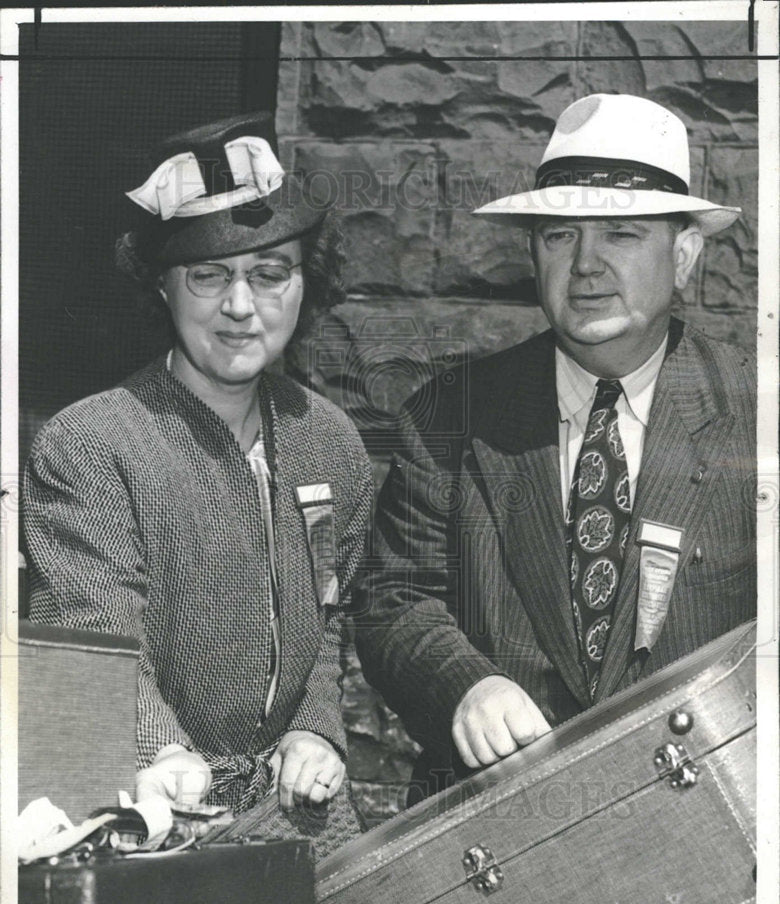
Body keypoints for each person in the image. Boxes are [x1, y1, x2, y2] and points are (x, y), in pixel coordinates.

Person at [355, 93, 756, 803]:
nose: (587, 266)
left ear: (685, 254)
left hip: (710, 838)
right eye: (560, 235)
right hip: (499, 840)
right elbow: (396, 601)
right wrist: (463, 685)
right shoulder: (450, 416)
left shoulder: (758, 416)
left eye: (622, 234)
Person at [23, 113, 373, 856]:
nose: (241, 307)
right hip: (146, 815)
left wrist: (316, 731)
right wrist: (162, 754)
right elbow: (93, 641)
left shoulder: (330, 441)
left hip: (294, 816)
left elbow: (327, 623)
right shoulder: (93, 443)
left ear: (307, 281)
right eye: (208, 276)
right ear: (161, 288)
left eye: (270, 273)